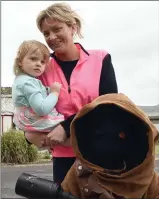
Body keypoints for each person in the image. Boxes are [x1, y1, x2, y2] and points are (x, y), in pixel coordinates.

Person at [25, 2, 118, 184]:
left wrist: (66, 127)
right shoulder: (41, 69)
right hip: (63, 162)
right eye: (46, 33)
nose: (51, 37)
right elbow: (30, 113)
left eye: (57, 29)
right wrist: (30, 134)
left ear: (73, 27)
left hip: (101, 156)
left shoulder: (100, 59)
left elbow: (110, 108)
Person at [61, 93, 159, 199]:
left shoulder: (150, 181)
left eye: (122, 135)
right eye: (101, 134)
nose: (112, 143)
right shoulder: (79, 175)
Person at [12, 40, 64, 147]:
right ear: (20, 62)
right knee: (72, 131)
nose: (38, 64)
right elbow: (41, 109)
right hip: (37, 120)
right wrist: (54, 93)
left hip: (27, 122)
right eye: (33, 59)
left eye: (42, 62)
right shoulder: (29, 82)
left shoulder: (20, 80)